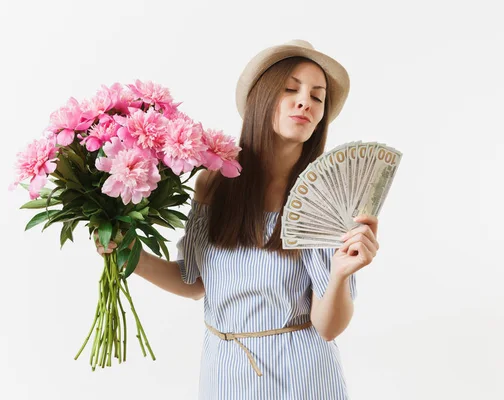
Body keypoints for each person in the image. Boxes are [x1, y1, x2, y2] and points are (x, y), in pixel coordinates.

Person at [96, 39, 380, 399]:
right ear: (260, 100)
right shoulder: (214, 182)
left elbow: (327, 327)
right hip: (224, 371)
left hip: (301, 377)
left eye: (317, 96)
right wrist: (127, 253)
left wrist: (340, 272)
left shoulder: (323, 197)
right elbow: (193, 281)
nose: (304, 101)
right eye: (290, 89)